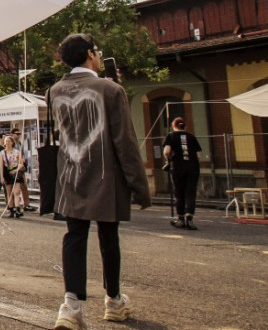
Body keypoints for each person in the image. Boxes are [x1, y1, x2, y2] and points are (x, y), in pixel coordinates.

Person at [50, 33, 150, 329]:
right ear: (91, 54)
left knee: (74, 236)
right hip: (107, 176)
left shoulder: (54, 90)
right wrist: (139, 186)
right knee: (109, 238)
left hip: (71, 174)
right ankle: (114, 300)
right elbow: (125, 142)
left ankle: (70, 307)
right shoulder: (110, 89)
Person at [163, 117, 201, 230]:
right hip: (193, 168)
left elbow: (167, 151)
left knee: (179, 193)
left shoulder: (171, 136)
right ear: (185, 126)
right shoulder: (191, 137)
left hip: (178, 168)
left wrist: (168, 160)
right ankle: (189, 216)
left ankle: (180, 218)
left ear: (173, 126)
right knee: (190, 193)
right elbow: (199, 155)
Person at [1, 135, 25, 218]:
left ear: (12, 142)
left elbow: (21, 163)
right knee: (9, 192)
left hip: (15, 171)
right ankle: (11, 209)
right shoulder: (2, 153)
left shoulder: (17, 152)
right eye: (6, 141)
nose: (7, 142)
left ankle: (17, 208)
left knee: (17, 191)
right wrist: (1, 177)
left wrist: (16, 170)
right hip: (7, 172)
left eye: (9, 141)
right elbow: (1, 166)